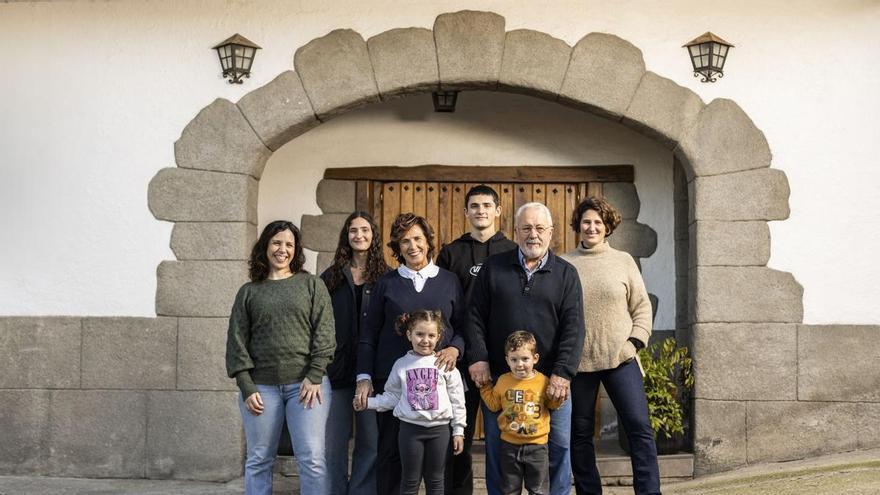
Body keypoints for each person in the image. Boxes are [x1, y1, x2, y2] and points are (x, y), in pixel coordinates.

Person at [467, 202, 585, 495]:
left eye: (540, 228)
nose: (533, 235)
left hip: (551, 385)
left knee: (557, 450)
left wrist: (563, 374)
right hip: (502, 382)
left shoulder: (566, 274)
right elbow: (473, 317)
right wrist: (479, 358)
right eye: (526, 228)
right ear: (516, 232)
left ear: (551, 233)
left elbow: (574, 328)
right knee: (498, 452)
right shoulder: (494, 268)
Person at [354, 213, 466, 494]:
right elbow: (368, 333)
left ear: (428, 242)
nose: (412, 246)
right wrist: (364, 376)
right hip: (393, 381)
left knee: (440, 465)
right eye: (404, 241)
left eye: (417, 238)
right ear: (397, 246)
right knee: (391, 454)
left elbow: (464, 326)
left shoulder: (449, 281)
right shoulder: (386, 283)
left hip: (436, 384)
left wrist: (455, 347)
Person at [226, 220, 336, 495]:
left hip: (307, 387)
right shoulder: (249, 292)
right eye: (276, 243)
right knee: (259, 458)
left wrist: (314, 375)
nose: (282, 249)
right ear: (265, 247)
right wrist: (246, 385)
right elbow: (236, 342)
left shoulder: (311, 285)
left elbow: (325, 333)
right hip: (261, 388)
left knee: (311, 458)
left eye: (289, 244)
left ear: (296, 250)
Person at [561, 197, 660, 495]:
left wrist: (634, 342)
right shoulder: (564, 264)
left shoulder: (623, 261)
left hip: (621, 358)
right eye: (586, 222)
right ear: (578, 225)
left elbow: (642, 306)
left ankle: (649, 491)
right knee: (579, 434)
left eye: (598, 223)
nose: (592, 227)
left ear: (607, 227)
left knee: (639, 428)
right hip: (579, 363)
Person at [436, 184, 517, 495]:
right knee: (459, 438)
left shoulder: (513, 251)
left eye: (486, 205)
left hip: (501, 361)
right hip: (458, 360)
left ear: (497, 211)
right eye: (474, 206)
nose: (480, 210)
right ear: (466, 212)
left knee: (505, 439)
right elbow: (443, 308)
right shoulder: (451, 252)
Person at [357, 310, 467, 495]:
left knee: (436, 481)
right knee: (409, 481)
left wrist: (458, 431)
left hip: (439, 432)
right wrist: (368, 403)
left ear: (439, 337)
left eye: (431, 335)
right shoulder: (401, 365)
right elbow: (392, 397)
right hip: (410, 431)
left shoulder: (445, 365)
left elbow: (457, 401)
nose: (425, 340)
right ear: (409, 335)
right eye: (420, 334)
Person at [320, 211, 389, 495]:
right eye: (353, 230)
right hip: (336, 370)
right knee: (333, 442)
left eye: (364, 230)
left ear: (373, 235)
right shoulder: (331, 276)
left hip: (371, 373)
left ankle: (361, 491)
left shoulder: (386, 276)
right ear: (346, 236)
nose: (359, 235)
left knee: (370, 442)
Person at [480, 331, 565, 495]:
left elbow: (552, 405)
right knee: (510, 490)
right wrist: (484, 387)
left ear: (535, 358)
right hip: (509, 447)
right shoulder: (503, 381)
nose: (519, 364)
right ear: (507, 360)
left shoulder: (543, 381)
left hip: (538, 447)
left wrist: (560, 397)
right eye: (514, 359)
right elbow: (493, 405)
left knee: (538, 490)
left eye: (525, 359)